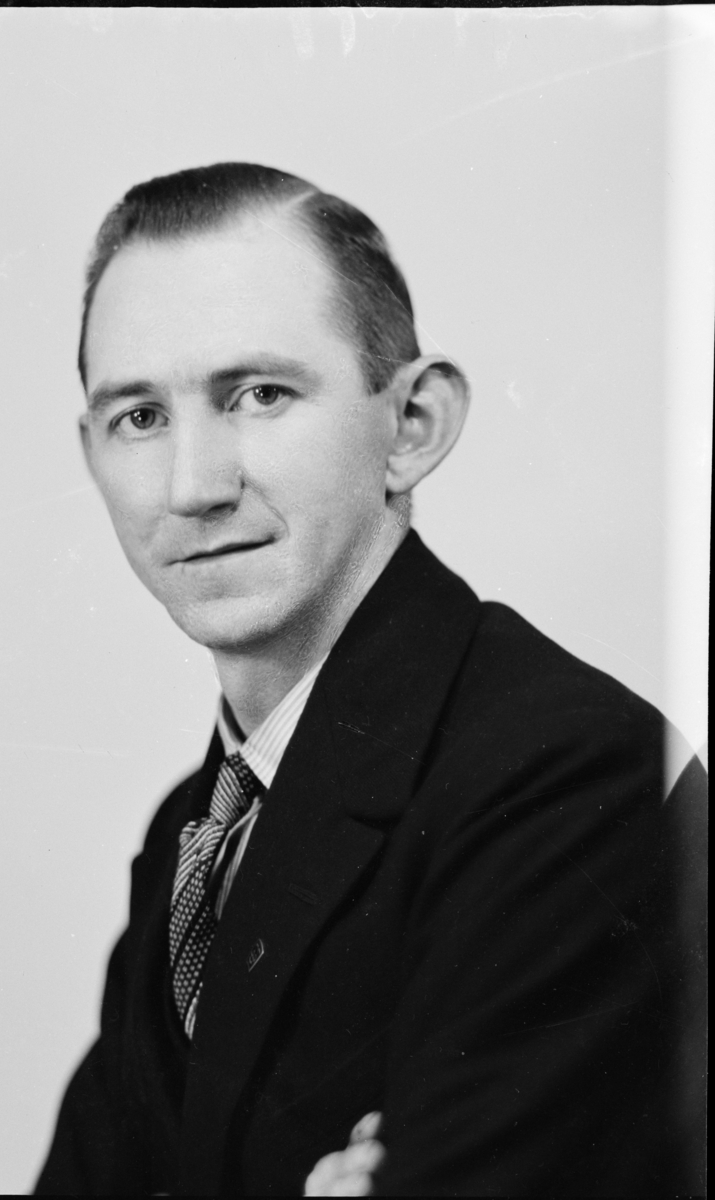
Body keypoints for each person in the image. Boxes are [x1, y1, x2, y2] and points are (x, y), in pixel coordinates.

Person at [34, 163, 705, 1197]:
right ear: (91, 455)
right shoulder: (192, 831)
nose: (192, 486)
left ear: (411, 425)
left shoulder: (568, 775)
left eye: (260, 395)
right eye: (139, 417)